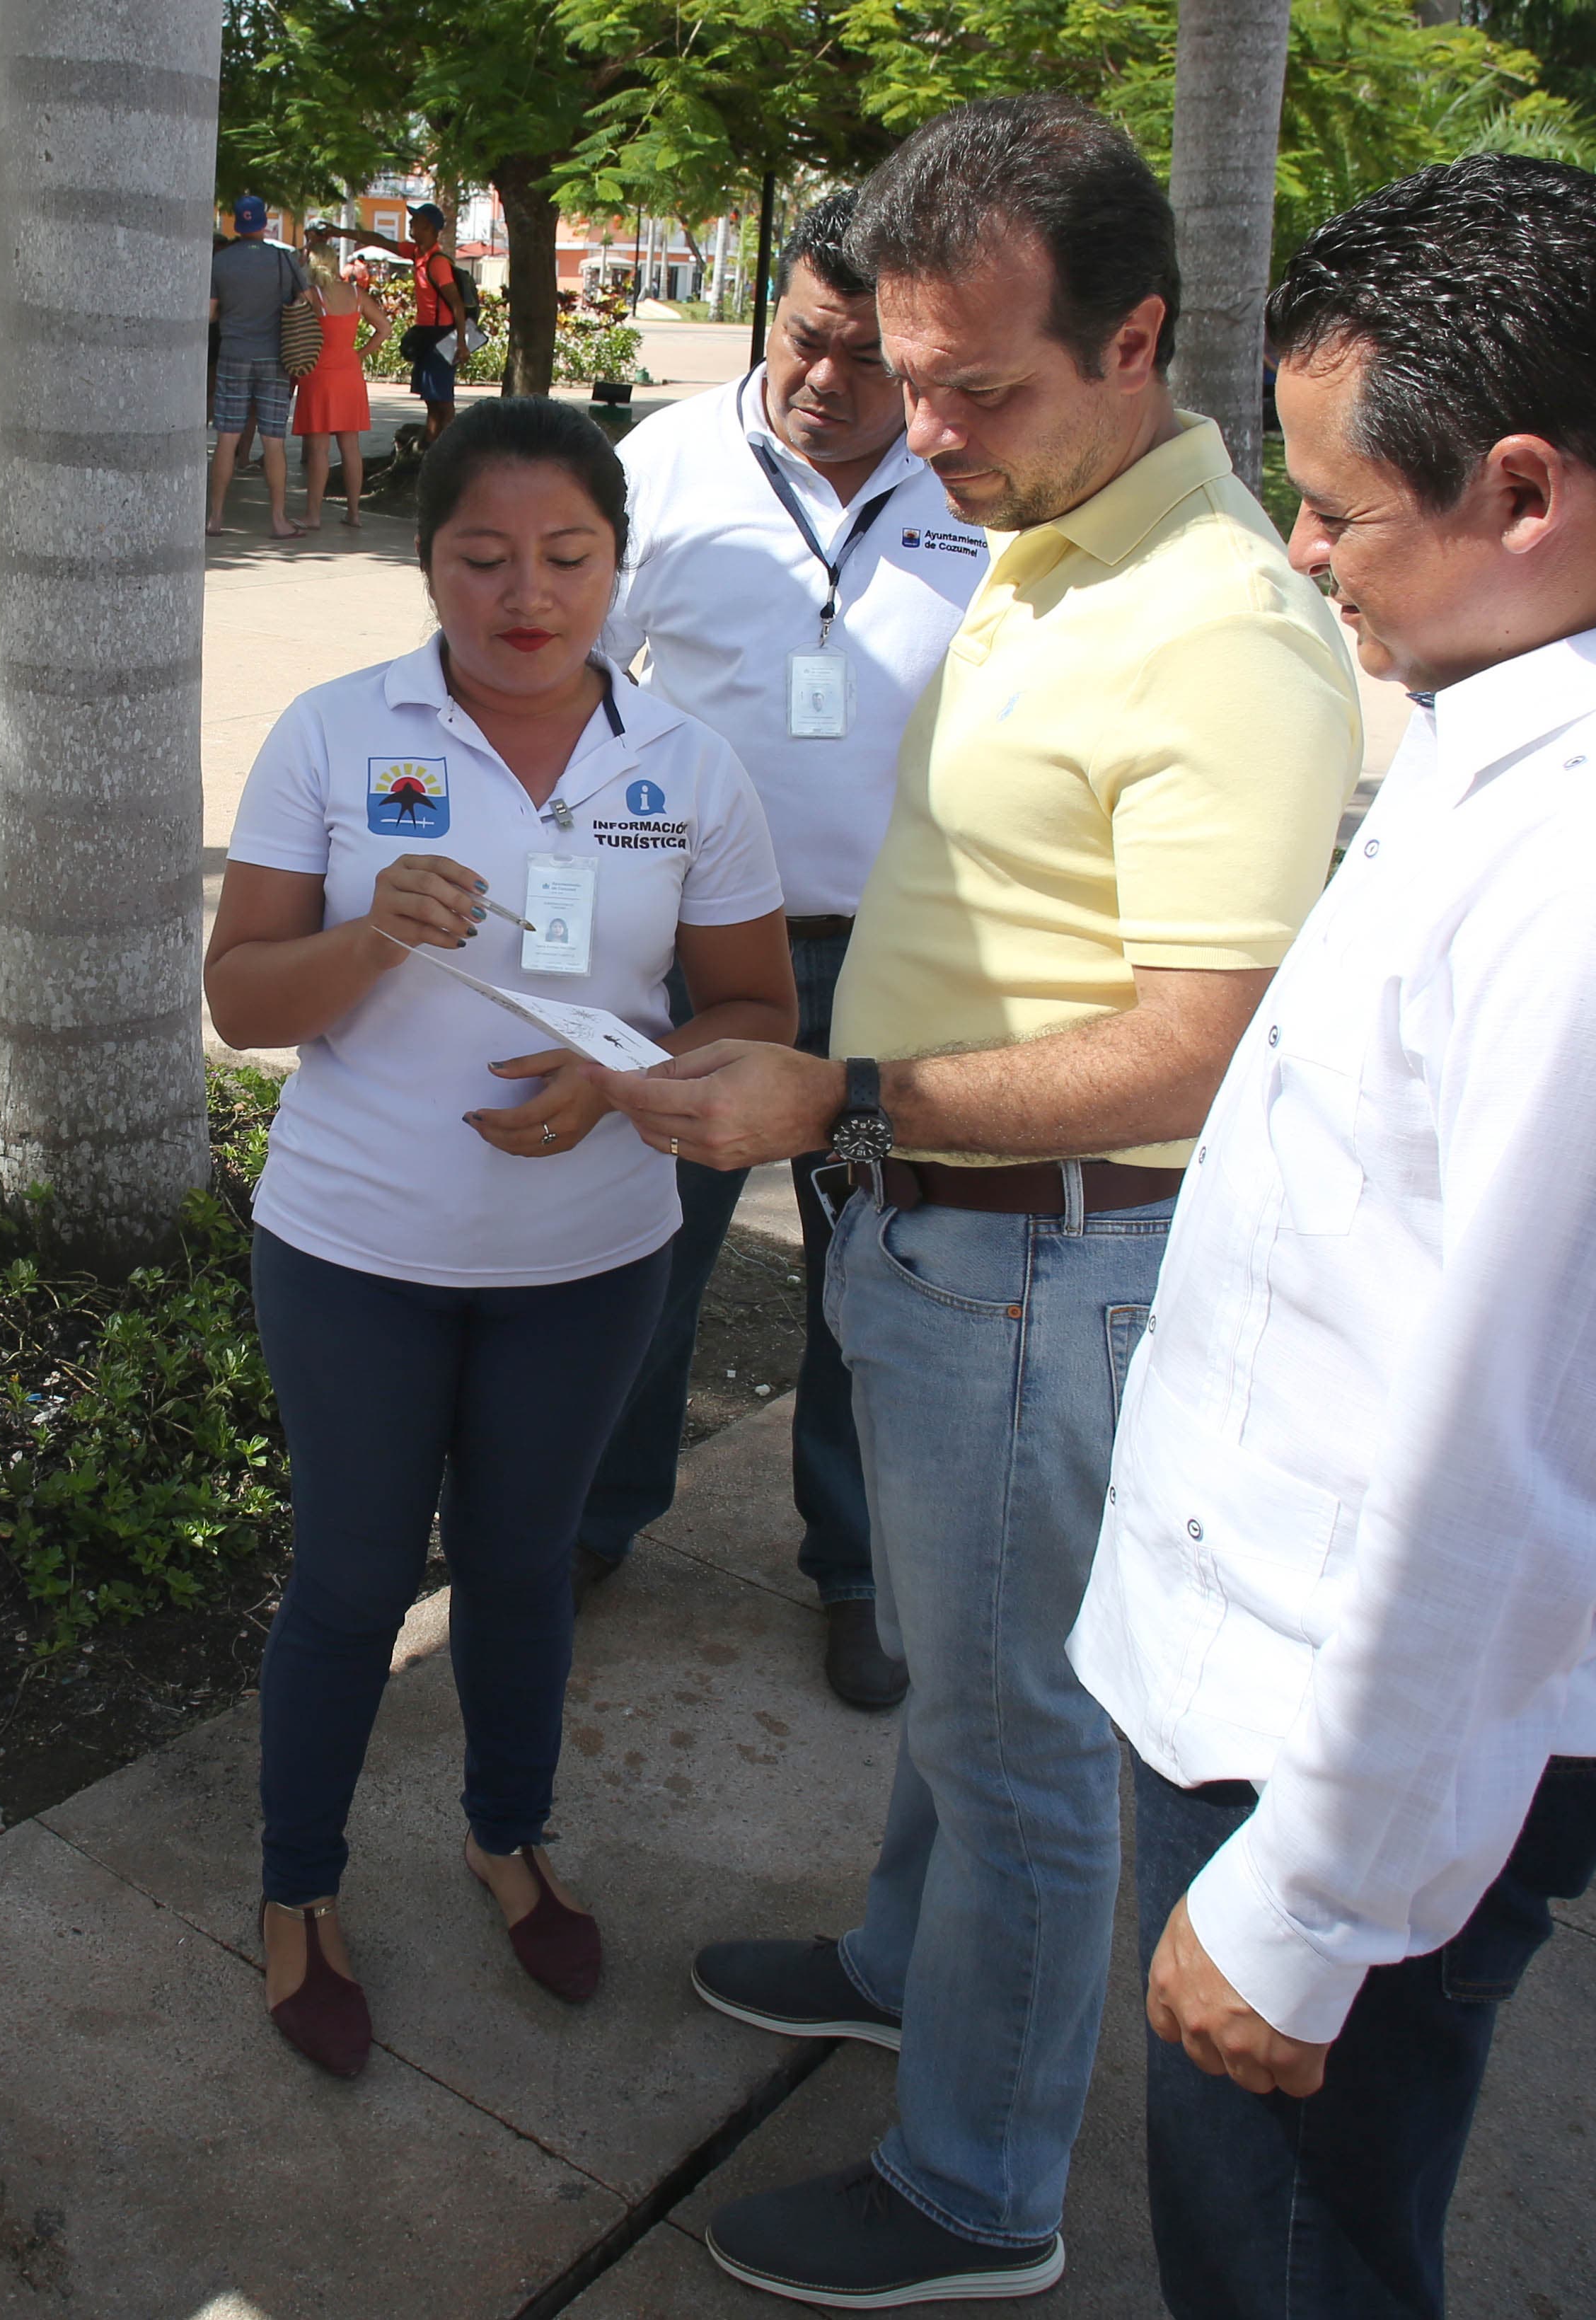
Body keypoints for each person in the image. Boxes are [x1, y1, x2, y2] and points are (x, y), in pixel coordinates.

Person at [1072, 156, 1596, 2320]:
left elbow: (1516, 1461)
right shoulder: (1516, 720)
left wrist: (1314, 1903)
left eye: (1339, 506)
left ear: (1521, 488)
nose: (1303, 550)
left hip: (1338, 1761)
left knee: (1287, 2264)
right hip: (1269, 1687)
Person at [591, 96, 1364, 2307]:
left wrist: (838, 1090)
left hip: (1048, 1260)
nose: (918, 432)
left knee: (1024, 1746)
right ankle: (895, 1963)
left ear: (1135, 342)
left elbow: (1199, 1041)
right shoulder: (1042, 530)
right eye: (900, 373)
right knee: (960, 1688)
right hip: (951, 1230)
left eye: (976, 387)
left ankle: (973, 2189)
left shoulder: (1217, 627)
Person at [204, 396, 797, 2079]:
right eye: (480, 556)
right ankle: (296, 1889)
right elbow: (240, 999)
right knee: (348, 1579)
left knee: (525, 1566)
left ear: (618, 564)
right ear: (425, 564)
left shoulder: (683, 763)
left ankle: (508, 1834)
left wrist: (625, 1093)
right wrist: (369, 937)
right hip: (352, 1247)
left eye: (566, 556)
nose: (523, 594)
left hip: (586, 1256)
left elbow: (747, 1003)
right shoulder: (334, 735)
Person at [575, 187, 985, 1712]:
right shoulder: (666, 465)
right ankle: (596, 1522)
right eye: (807, 339)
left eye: (871, 359)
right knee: (644, 1257)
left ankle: (859, 1568)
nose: (827, 380)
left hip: (899, 961)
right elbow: (576, 682)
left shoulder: (977, 487)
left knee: (866, 1277)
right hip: (688, 956)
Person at [208, 195, 308, 539]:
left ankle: (216, 518)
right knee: (273, 441)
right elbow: (307, 303)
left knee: (227, 438)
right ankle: (279, 520)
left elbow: (210, 313)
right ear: (265, 223)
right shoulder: (284, 259)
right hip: (275, 358)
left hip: (233, 354)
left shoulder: (220, 262)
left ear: (237, 223)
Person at [319, 203, 463, 437]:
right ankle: (430, 445)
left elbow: (456, 303)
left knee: (443, 400)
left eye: (415, 220)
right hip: (427, 336)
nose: (410, 224)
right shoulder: (416, 253)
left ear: (428, 226)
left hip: (443, 336)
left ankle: (448, 449)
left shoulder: (437, 263)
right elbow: (378, 240)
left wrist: (462, 344)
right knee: (430, 397)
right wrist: (341, 232)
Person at [291, 244, 376, 528]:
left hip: (319, 375)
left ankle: (313, 515)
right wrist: (359, 354)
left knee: (318, 449)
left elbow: (289, 320)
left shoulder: (312, 296)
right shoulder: (355, 294)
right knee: (351, 447)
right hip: (350, 375)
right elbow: (385, 328)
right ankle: (354, 513)